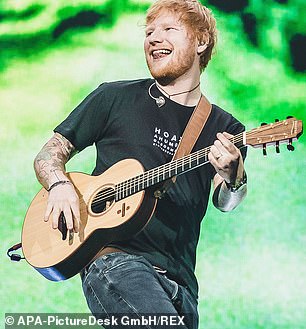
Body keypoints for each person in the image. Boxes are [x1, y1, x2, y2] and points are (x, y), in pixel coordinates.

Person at [33, 0, 247, 328]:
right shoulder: (113, 97)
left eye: (168, 30)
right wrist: (60, 185)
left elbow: (226, 201)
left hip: (182, 286)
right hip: (115, 262)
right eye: (149, 32)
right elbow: (50, 153)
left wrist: (233, 177)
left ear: (200, 41)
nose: (153, 39)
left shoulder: (224, 128)